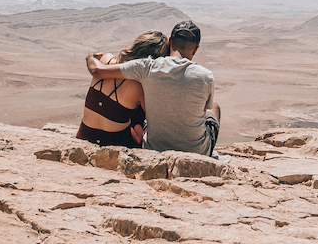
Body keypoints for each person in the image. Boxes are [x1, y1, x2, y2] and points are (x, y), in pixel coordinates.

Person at [85, 20, 220, 157]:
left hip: (154, 148)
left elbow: (96, 70)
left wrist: (91, 55)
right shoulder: (206, 76)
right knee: (213, 109)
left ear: (170, 41)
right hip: (197, 152)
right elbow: (201, 114)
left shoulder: (146, 67)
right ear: (196, 49)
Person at [76, 30, 170, 148]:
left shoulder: (107, 60)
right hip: (116, 143)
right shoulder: (139, 85)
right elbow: (154, 119)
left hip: (84, 135)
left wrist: (90, 56)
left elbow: (95, 67)